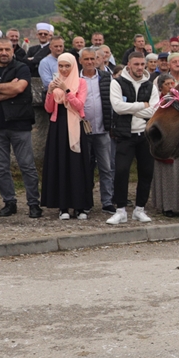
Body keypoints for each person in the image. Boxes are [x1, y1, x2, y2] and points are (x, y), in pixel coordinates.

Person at [0, 38, 41, 218]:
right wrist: (7, 90)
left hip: (20, 124)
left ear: (12, 51)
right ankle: (9, 202)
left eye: (7, 49)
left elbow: (19, 89)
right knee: (1, 167)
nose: (4, 53)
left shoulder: (22, 68)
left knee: (27, 166)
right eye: (0, 49)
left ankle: (34, 203)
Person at [41, 53, 93, 220]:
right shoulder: (54, 83)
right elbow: (49, 109)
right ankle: (62, 206)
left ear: (73, 66)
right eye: (61, 66)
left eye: (67, 66)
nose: (63, 69)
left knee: (77, 165)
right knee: (60, 164)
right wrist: (50, 92)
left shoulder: (81, 82)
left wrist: (67, 90)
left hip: (75, 126)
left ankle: (80, 207)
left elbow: (79, 105)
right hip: (58, 128)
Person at [107, 51, 157, 225]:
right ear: (129, 65)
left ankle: (139, 209)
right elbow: (117, 107)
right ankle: (120, 210)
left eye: (142, 64)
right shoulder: (117, 83)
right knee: (121, 171)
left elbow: (154, 110)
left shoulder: (150, 85)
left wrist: (131, 109)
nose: (140, 67)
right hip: (125, 135)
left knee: (146, 172)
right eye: (136, 64)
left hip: (145, 135)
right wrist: (142, 105)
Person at [77, 48, 116, 213]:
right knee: (85, 168)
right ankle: (86, 201)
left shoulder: (106, 77)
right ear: (80, 61)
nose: (90, 62)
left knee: (106, 167)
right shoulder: (75, 78)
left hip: (103, 129)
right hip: (82, 130)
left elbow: (112, 101)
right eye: (86, 59)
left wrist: (112, 124)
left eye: (92, 59)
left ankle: (107, 201)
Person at [148, 73, 179, 217]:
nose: (171, 86)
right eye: (167, 84)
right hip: (166, 142)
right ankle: (168, 207)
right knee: (168, 177)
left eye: (172, 83)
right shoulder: (159, 103)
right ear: (161, 87)